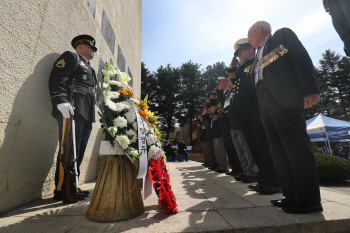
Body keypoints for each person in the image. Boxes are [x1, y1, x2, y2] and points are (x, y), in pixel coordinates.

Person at [248, 21, 322, 213]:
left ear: (258, 29)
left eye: (249, 36)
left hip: (284, 97)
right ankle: (291, 196)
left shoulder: (281, 37)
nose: (249, 41)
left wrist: (310, 89)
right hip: (264, 100)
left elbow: (300, 57)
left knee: (296, 147)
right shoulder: (257, 55)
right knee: (278, 151)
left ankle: (309, 200)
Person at [225, 38, 280, 191]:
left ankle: (272, 181)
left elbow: (279, 53)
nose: (238, 55)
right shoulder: (243, 68)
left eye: (240, 51)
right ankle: (263, 179)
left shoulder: (258, 62)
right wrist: (232, 69)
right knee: (254, 147)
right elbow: (236, 86)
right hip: (243, 111)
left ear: (250, 50)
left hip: (254, 109)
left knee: (262, 146)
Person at [49, 35, 97, 200]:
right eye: (91, 47)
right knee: (68, 148)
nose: (93, 51)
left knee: (79, 150)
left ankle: (73, 185)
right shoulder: (72, 57)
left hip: (86, 112)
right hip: (71, 110)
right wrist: (60, 100)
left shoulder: (91, 69)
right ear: (80, 46)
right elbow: (58, 77)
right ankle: (62, 188)